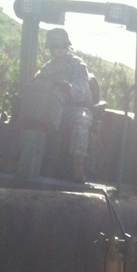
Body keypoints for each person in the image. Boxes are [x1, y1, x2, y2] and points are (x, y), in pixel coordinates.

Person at [34, 27, 94, 181]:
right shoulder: (47, 68)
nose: (59, 50)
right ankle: (29, 160)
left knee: (82, 119)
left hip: (74, 107)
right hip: (52, 107)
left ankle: (77, 166)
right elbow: (37, 84)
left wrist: (69, 87)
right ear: (51, 49)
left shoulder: (78, 64)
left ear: (67, 47)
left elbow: (81, 86)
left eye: (62, 46)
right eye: (55, 47)